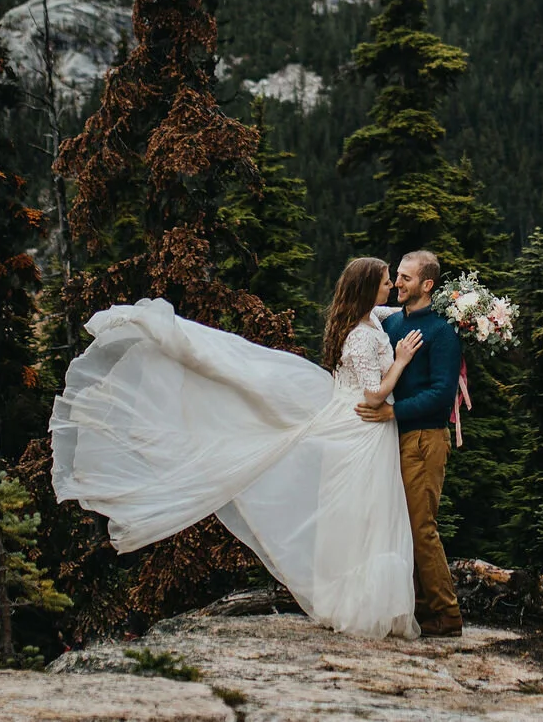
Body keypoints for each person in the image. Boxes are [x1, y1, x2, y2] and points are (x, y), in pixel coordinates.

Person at [48, 257, 425, 638]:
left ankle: (362, 600)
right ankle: (361, 605)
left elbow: (392, 309)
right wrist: (402, 360)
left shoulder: (369, 318)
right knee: (365, 512)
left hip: (356, 423)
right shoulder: (360, 336)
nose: (392, 284)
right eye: (385, 280)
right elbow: (374, 395)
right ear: (366, 289)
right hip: (361, 426)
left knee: (363, 512)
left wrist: (444, 303)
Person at [359, 249, 464, 636]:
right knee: (401, 525)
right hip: (393, 439)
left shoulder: (441, 333)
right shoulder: (391, 325)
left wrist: (393, 412)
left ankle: (447, 613)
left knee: (421, 527)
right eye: (397, 276)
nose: (397, 283)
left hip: (425, 439)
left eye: (405, 278)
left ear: (427, 284)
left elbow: (440, 394)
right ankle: (419, 607)